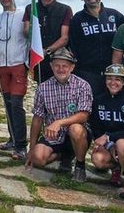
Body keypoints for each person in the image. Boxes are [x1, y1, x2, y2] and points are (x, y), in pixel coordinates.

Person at [25, 48, 93, 182]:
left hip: (76, 133)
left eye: (65, 66)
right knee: (37, 158)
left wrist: (59, 122)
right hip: (53, 135)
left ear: (72, 67)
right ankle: (62, 155)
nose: (61, 69)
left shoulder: (83, 85)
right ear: (51, 66)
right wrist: (31, 148)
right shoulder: (43, 88)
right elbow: (38, 118)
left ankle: (80, 166)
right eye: (57, 65)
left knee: (75, 129)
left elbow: (84, 115)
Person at [69, 0, 124, 99]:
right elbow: (73, 47)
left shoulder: (114, 15)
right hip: (88, 74)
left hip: (113, 74)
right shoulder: (77, 19)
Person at [89, 64, 124, 199]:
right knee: (97, 159)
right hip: (109, 144)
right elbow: (95, 126)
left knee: (121, 144)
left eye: (117, 79)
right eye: (109, 78)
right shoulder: (98, 100)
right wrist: (105, 143)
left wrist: (110, 137)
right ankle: (116, 168)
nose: (113, 82)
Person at [0, 0, 30, 159]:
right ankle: (12, 138)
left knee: (16, 103)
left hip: (18, 64)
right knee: (7, 103)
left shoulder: (22, 15)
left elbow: (28, 36)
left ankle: (21, 145)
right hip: (1, 64)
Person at [24, 0, 73, 83]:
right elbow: (26, 31)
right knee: (41, 86)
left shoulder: (65, 9)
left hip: (58, 57)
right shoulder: (30, 8)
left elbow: (65, 38)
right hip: (38, 57)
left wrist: (47, 51)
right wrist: (31, 29)